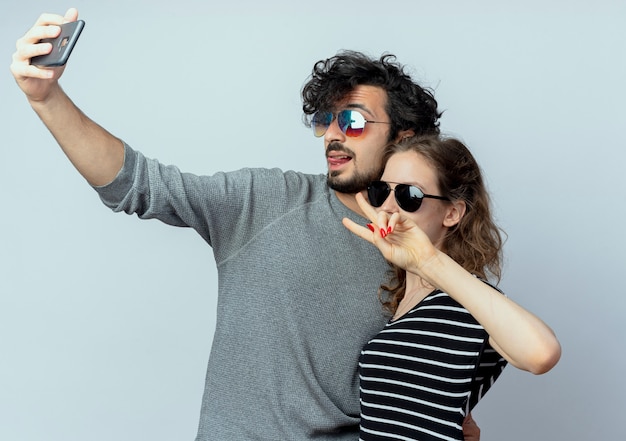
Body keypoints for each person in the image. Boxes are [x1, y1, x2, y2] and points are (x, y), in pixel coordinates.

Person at [11, 8, 483, 441]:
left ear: (403, 137)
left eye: (354, 121)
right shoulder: (267, 200)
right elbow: (141, 184)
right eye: (326, 120)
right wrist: (47, 99)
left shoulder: (429, 258)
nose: (334, 134)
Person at [342, 135, 562, 440]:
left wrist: (429, 262)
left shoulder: (466, 301)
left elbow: (542, 353)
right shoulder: (406, 302)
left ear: (452, 213)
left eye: (409, 195)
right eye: (382, 191)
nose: (389, 207)